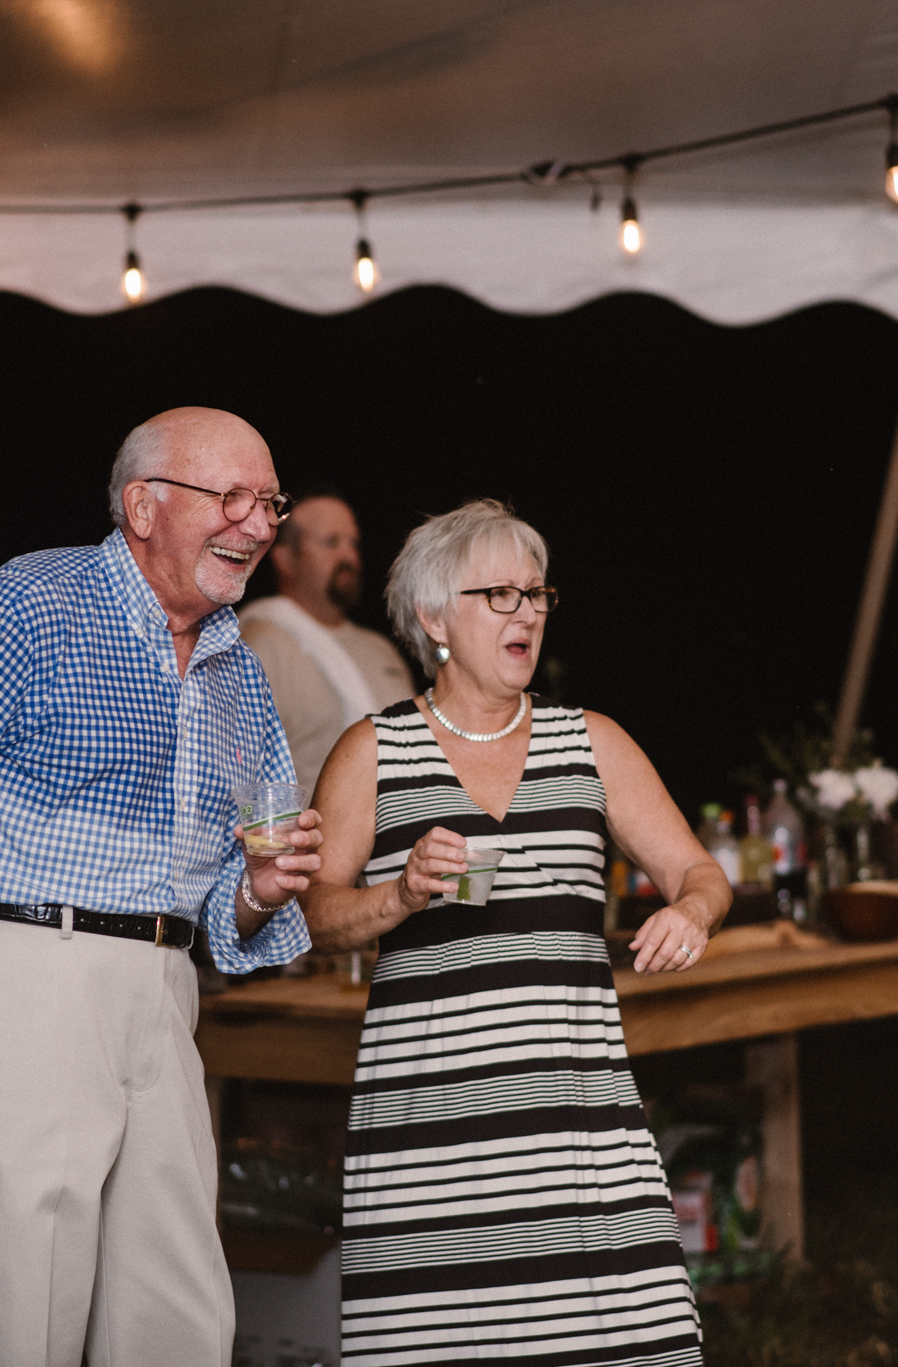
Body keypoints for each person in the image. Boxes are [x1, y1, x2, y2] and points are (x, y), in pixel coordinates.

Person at [0, 407, 321, 1367]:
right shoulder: (31, 605)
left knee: (176, 1313)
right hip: (15, 974)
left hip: (163, 992)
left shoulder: (237, 676)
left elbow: (224, 911)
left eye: (270, 504)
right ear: (143, 505)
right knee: (13, 1308)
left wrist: (256, 889)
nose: (258, 526)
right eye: (234, 498)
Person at [298, 498, 731, 1365]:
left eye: (536, 593)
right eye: (498, 593)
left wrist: (690, 910)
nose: (526, 610)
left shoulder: (592, 742)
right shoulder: (372, 752)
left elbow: (703, 872)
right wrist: (404, 892)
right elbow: (317, 916)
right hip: (429, 1149)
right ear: (433, 618)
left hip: (582, 1145)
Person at [238, 490, 414, 794]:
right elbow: (240, 772)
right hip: (311, 836)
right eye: (331, 542)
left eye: (353, 544)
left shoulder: (381, 649)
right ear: (284, 558)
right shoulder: (259, 644)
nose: (349, 557)